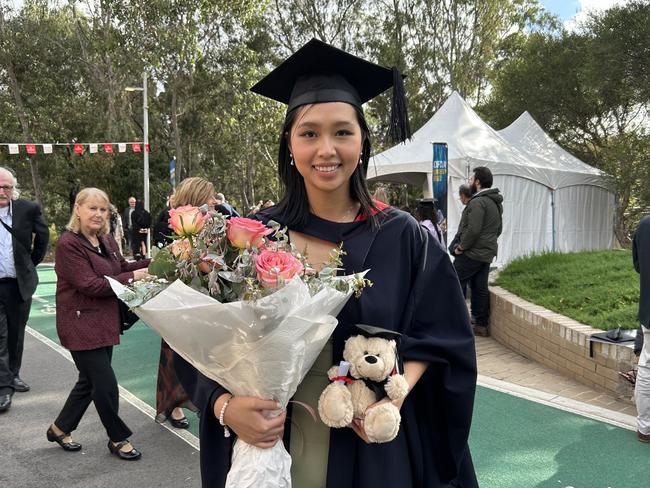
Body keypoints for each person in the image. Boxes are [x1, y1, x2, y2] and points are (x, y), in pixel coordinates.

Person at [174, 38, 477, 488]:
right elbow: (194, 342)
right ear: (289, 144)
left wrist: (394, 400)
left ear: (362, 141)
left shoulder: (403, 236)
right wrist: (225, 408)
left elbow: (442, 336)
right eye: (309, 133)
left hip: (370, 446)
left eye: (342, 132)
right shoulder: (249, 237)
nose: (326, 150)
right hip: (273, 440)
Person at [48, 188, 149, 459]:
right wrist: (137, 276)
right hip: (79, 325)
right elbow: (90, 285)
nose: (97, 214)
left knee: (88, 382)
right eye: (92, 208)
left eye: (103, 209)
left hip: (104, 323)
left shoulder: (105, 239)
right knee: (105, 384)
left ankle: (60, 428)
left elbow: (121, 269)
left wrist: (158, 262)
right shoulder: (69, 244)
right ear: (78, 209)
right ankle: (117, 438)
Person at [154, 177, 214, 429]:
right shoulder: (173, 227)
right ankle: (174, 405)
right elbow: (160, 267)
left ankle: (205, 402)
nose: (213, 206)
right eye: (209, 202)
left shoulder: (216, 228)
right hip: (179, 306)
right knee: (174, 360)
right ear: (197, 202)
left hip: (208, 306)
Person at [0, 167, 49, 412]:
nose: (2, 191)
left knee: (17, 333)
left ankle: (13, 374)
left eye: (6, 187)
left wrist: (30, 264)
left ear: (13, 188)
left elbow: (43, 238)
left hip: (19, 283)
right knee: (0, 335)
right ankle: (4, 386)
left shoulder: (27, 209)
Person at [452, 168, 503, 337]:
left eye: (472, 178)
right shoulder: (495, 202)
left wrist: (461, 247)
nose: (469, 181)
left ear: (478, 182)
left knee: (452, 281)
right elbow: (499, 229)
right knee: (479, 287)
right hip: (487, 253)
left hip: (472, 253)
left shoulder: (477, 202)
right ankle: (480, 325)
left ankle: (456, 323)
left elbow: (473, 230)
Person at [633, 216, 650, 443]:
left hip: (649, 308)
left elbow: (638, 265)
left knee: (647, 367)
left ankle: (645, 427)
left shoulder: (645, 225)